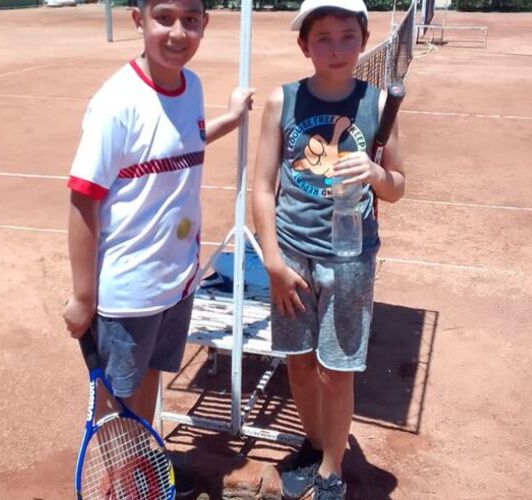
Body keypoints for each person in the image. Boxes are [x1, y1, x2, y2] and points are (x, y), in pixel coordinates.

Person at [62, 0, 253, 496]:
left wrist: (232, 119)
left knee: (146, 387)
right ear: (138, 21)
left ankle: (136, 476)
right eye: (164, 17)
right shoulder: (116, 103)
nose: (177, 32)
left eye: (191, 19)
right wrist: (83, 296)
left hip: (177, 279)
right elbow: (83, 199)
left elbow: (184, 141)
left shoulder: (193, 87)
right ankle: (123, 486)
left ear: (205, 24)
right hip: (128, 290)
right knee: (117, 404)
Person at [251, 0, 406, 498]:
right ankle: (315, 445)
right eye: (323, 38)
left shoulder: (377, 105)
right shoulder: (282, 101)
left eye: (347, 37)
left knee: (337, 371)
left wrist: (376, 173)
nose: (336, 48)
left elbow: (397, 187)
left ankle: (331, 470)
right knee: (299, 362)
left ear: (363, 42)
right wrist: (272, 260)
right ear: (304, 45)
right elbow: (262, 187)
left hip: (350, 260)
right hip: (292, 256)